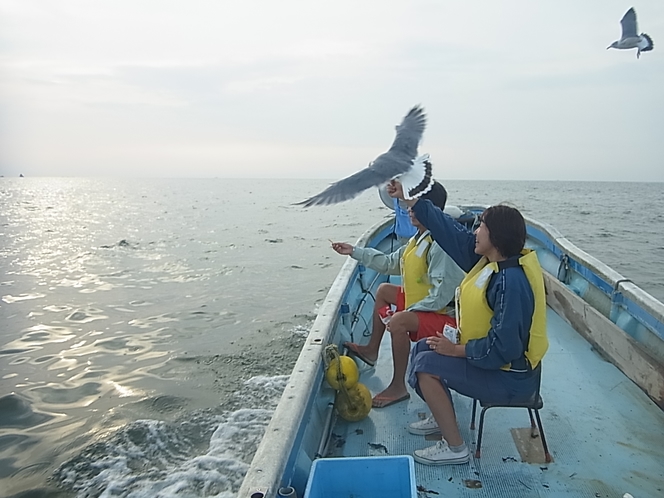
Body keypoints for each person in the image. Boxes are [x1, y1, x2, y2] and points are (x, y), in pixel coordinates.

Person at [387, 180, 548, 466]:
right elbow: (448, 230)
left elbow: (506, 347)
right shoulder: (488, 260)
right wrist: (410, 199)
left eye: (481, 227)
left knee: (427, 365)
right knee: (423, 347)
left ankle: (456, 447)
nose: (474, 232)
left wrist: (456, 350)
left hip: (512, 378)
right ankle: (441, 418)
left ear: (495, 237)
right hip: (492, 365)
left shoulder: (511, 282)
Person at [330, 182, 465, 408]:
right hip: (428, 307)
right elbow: (390, 262)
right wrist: (354, 251)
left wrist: (404, 314)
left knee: (399, 321)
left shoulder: (442, 244)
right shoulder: (420, 237)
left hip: (449, 321)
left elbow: (442, 296)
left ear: (430, 209)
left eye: (415, 205)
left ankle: (398, 386)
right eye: (409, 204)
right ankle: (372, 350)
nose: (409, 209)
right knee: (384, 291)